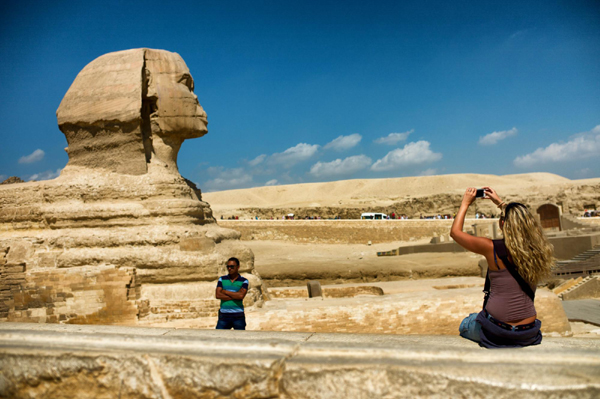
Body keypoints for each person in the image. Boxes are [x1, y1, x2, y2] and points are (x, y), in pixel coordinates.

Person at [450, 187, 554, 348]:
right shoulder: (538, 250)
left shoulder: (493, 248)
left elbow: (455, 233)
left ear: (503, 223)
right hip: (528, 332)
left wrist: (465, 203)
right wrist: (500, 203)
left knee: (467, 322)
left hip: (497, 332)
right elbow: (521, 220)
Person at [215, 257, 249, 330]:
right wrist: (235, 295)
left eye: (232, 267)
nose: (229, 268)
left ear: (238, 267)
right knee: (218, 338)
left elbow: (241, 296)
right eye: (228, 266)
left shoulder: (244, 281)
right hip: (224, 316)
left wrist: (225, 291)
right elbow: (218, 295)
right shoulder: (222, 279)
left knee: (240, 339)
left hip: (238, 316)